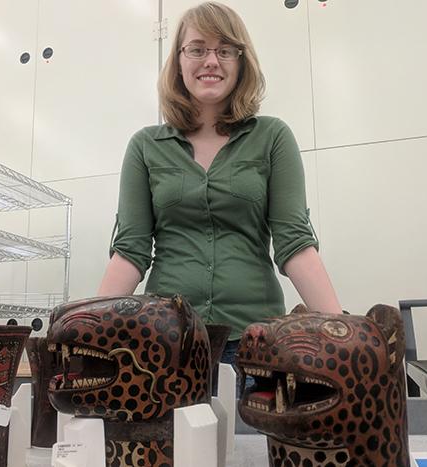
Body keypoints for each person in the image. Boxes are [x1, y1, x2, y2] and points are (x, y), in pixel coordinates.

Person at [98, 1, 342, 366]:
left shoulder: (273, 137)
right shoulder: (145, 146)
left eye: (225, 50)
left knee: (249, 426)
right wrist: (90, 330)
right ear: (179, 61)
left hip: (254, 341)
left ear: (241, 61)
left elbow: (295, 244)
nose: (211, 61)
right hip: (165, 341)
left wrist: (344, 334)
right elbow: (130, 252)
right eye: (197, 49)